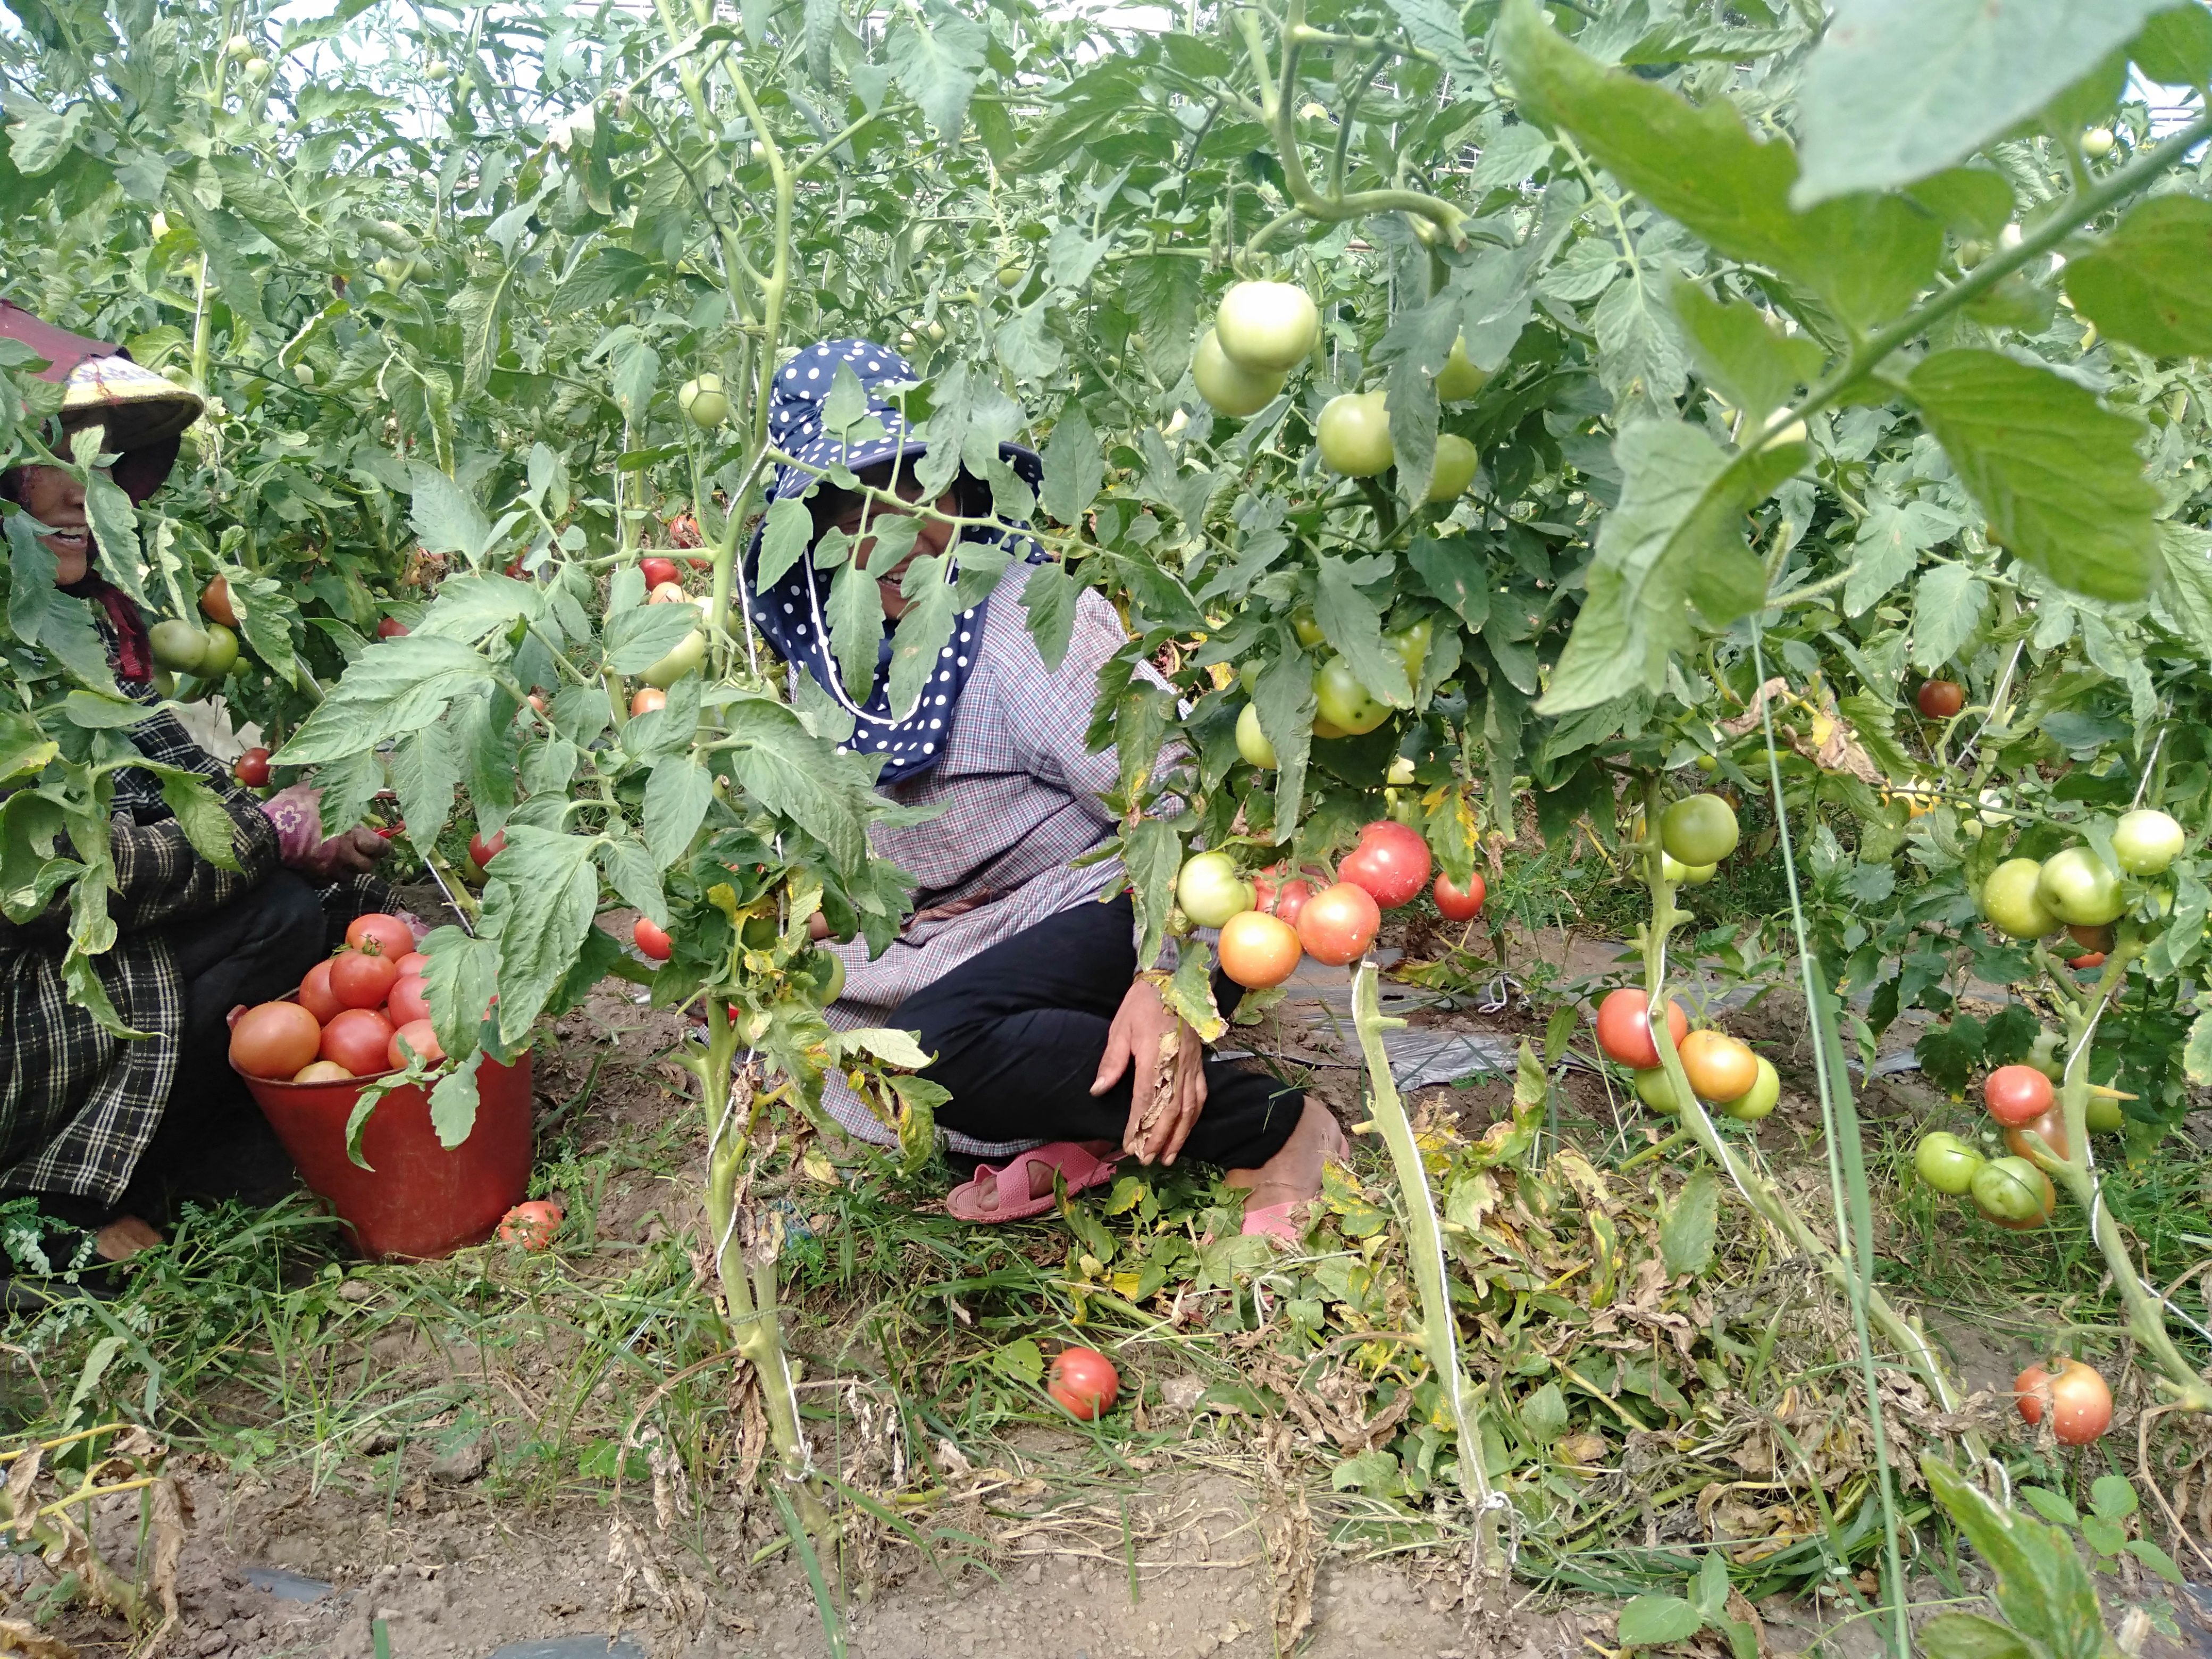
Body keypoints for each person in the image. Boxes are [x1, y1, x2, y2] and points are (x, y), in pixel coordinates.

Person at [744, 340, 1342, 1238]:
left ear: (965, 493)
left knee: (937, 1048)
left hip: (1131, 897)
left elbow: (1181, 804)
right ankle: (1072, 1128)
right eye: (859, 511)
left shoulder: (1023, 620)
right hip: (980, 931)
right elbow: (866, 848)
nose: (903, 537)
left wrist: (1162, 980)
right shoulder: (837, 653)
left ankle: (1279, 1126)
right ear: (819, 533)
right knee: (838, 1036)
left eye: (923, 497)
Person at [0, 303, 398, 1284]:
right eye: (51, 454)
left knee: (297, 911)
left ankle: (171, 1160)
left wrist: (300, 830)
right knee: (267, 918)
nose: (84, 493)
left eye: (102, 462)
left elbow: (194, 789)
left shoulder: (78, 628)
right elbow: (54, 880)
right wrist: (267, 835)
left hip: (66, 952)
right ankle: (43, 1210)